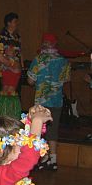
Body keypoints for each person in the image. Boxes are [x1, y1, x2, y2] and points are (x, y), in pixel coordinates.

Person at [27, 33, 70, 171]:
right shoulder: (63, 61)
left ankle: (37, 158)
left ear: (44, 43)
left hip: (41, 101)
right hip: (56, 101)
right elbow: (66, 80)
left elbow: (30, 81)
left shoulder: (39, 59)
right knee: (53, 130)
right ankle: (52, 159)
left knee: (39, 130)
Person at [0, 13, 22, 119]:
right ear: (8, 23)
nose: (7, 49)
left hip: (11, 98)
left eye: (10, 48)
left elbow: (4, 61)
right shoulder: (2, 37)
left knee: (9, 120)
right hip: (4, 97)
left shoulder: (15, 63)